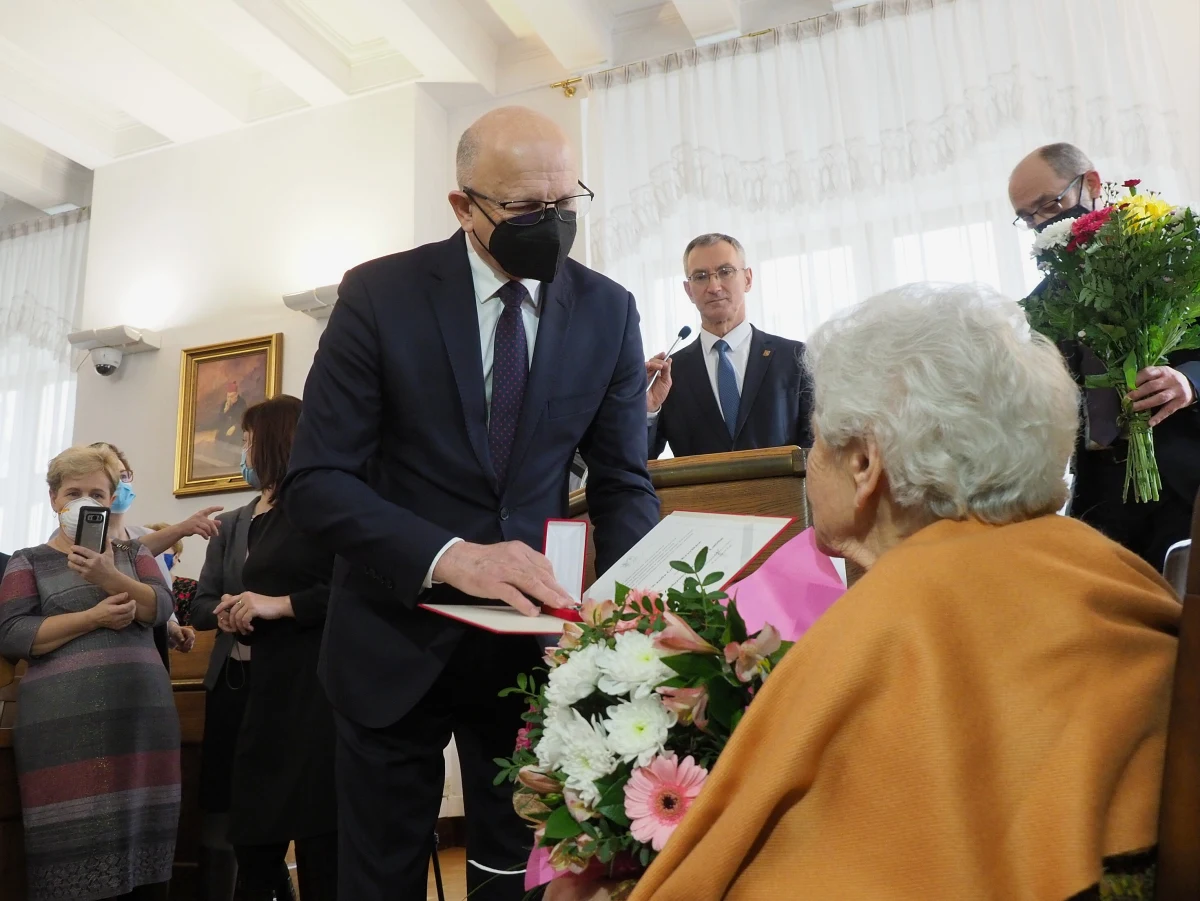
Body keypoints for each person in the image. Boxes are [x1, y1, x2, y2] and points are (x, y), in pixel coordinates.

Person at [548, 284, 1177, 901]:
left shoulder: (875, 636)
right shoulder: (1118, 574)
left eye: (818, 438)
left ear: (864, 465)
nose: (811, 460)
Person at [283, 104, 660, 901]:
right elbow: (317, 480)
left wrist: (634, 606)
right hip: (391, 636)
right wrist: (452, 557)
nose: (551, 224)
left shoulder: (608, 310)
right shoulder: (380, 295)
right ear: (464, 205)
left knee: (519, 879)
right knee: (379, 879)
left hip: (530, 651)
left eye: (566, 203)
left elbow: (624, 482)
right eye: (526, 208)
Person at [0, 444, 181, 901]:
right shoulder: (27, 560)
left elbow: (160, 607)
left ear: (111, 500)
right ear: (54, 499)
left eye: (97, 494)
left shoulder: (133, 552)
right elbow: (14, 634)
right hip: (63, 730)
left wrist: (109, 576)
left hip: (141, 724)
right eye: (73, 492)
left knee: (145, 851)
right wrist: (92, 618)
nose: (85, 502)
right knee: (71, 851)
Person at [1009, 142, 1200, 568]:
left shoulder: (1172, 252)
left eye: (1049, 205)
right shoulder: (1044, 299)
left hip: (1184, 477)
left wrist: (1190, 382)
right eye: (1027, 217)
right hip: (1099, 490)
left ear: (1092, 184)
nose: (1040, 222)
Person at [213, 395, 337, 901]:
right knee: (253, 836)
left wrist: (281, 605)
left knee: (320, 839)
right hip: (269, 692)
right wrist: (241, 611)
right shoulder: (264, 517)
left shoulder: (322, 507)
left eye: (248, 441)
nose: (244, 452)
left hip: (316, 692)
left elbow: (354, 590)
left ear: (273, 442)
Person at [190, 481, 294, 900]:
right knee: (227, 793)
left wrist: (271, 605)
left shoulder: (304, 516)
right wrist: (223, 612)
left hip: (287, 681)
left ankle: (270, 879)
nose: (247, 455)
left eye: (252, 447)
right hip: (231, 680)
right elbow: (199, 607)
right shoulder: (231, 524)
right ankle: (253, 883)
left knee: (277, 793)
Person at [645, 233, 812, 458]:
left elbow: (819, 448)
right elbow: (638, 460)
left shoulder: (795, 357)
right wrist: (648, 409)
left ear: (748, 279)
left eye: (725, 272)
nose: (714, 287)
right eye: (701, 276)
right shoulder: (670, 375)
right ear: (688, 290)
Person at [83, 442, 219, 663]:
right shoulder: (73, 539)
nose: (121, 484)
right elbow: (125, 550)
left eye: (124, 476)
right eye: (113, 477)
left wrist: (172, 626)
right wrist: (181, 528)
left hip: (149, 653)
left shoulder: (146, 535)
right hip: (100, 652)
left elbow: (161, 593)